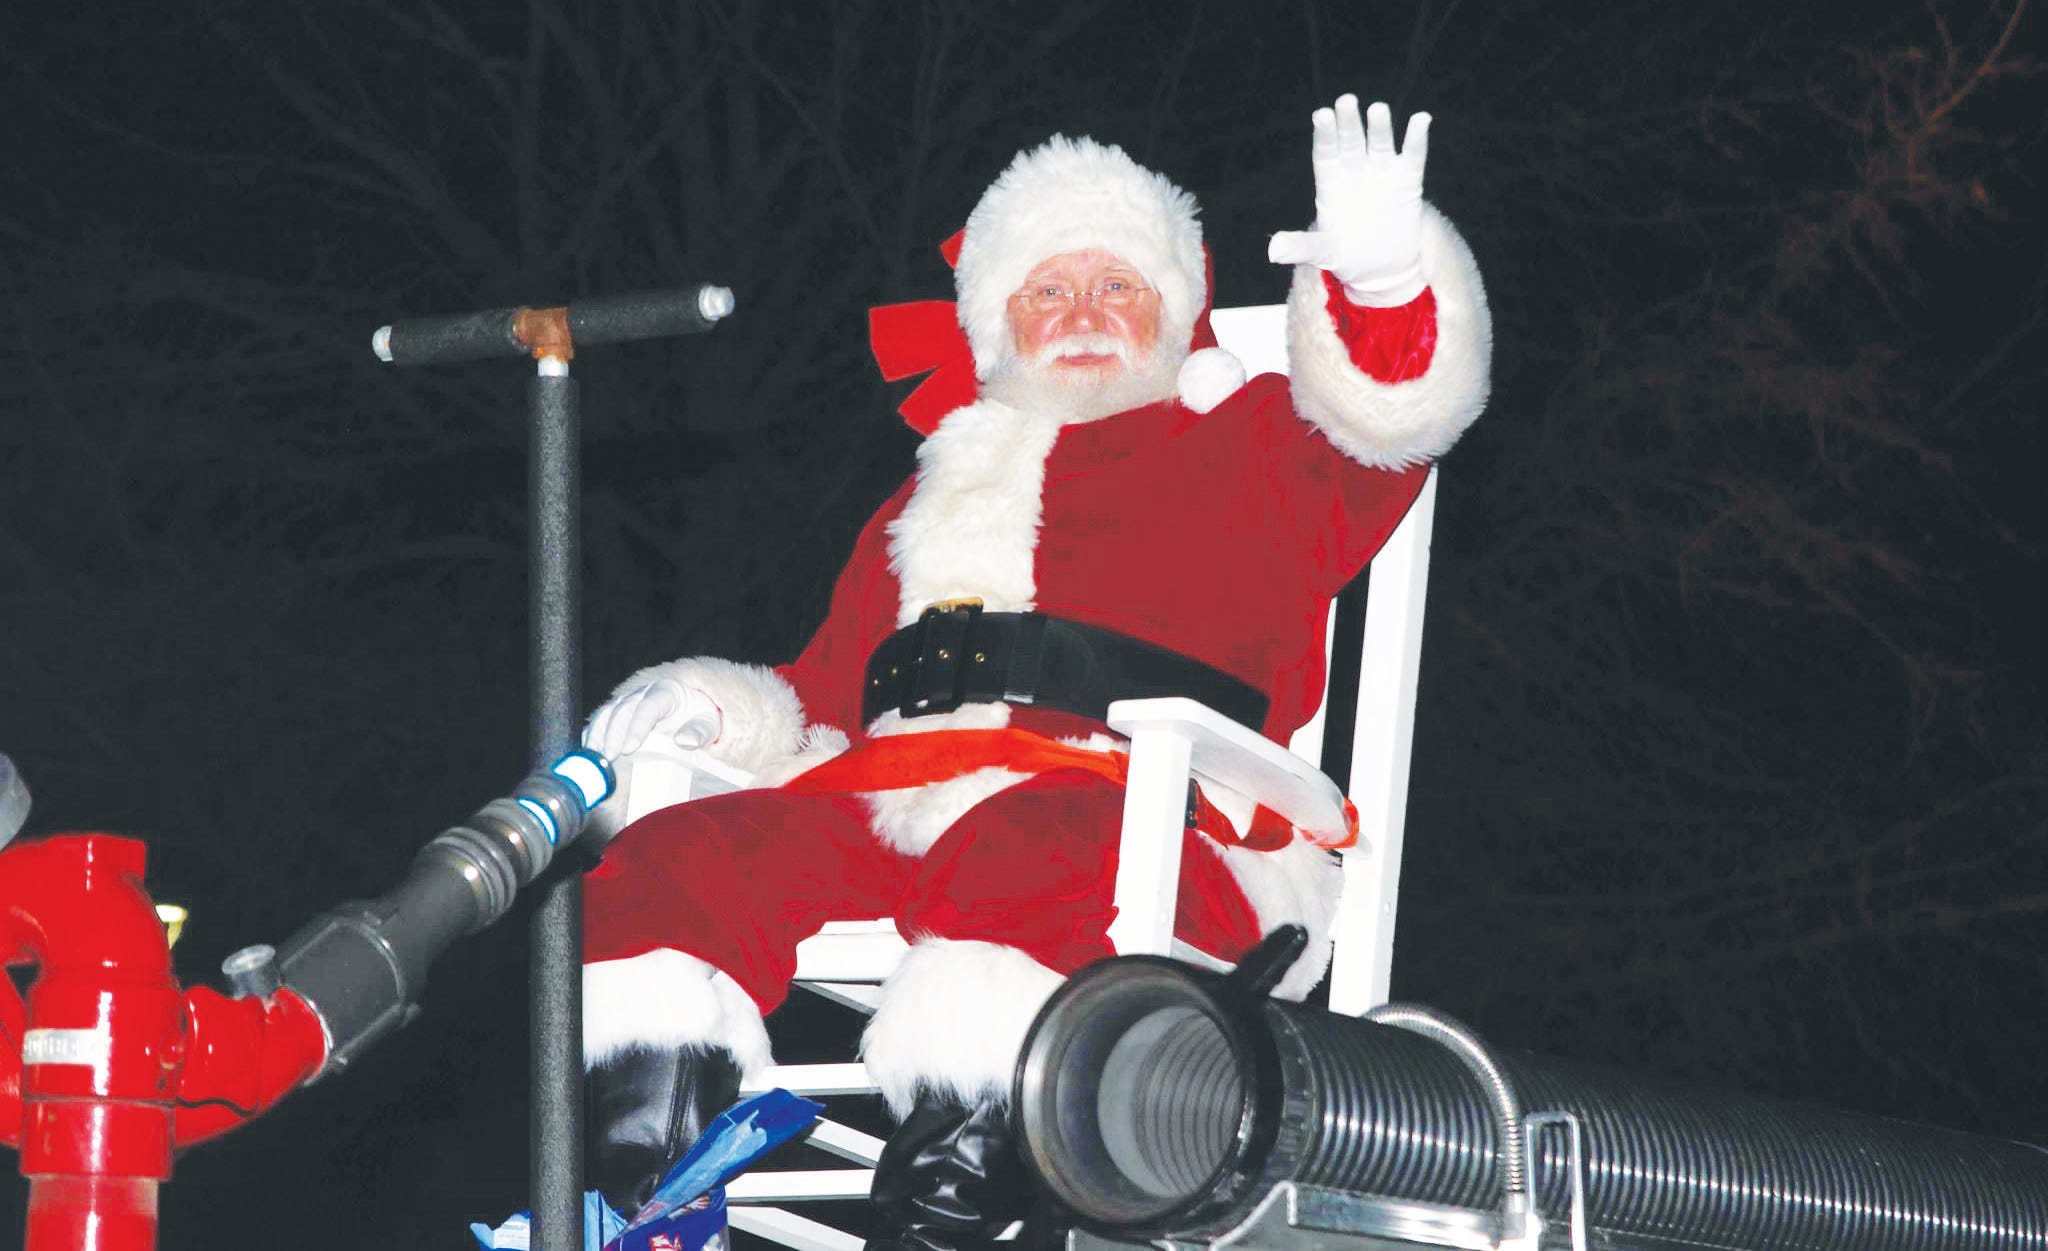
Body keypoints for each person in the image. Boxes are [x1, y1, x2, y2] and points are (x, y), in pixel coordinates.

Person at [579, 95, 1492, 1248]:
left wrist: (1376, 283)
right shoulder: (929, 493)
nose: (1083, 314)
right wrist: (711, 709)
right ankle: (655, 1157)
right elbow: (821, 692)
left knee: (1034, 848)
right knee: (685, 851)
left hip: (1149, 823)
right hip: (901, 805)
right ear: (997, 322)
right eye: (1049, 290)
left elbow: (1388, 420)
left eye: (1117, 285)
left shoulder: (1256, 441)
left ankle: (963, 1174)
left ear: (1171, 310)